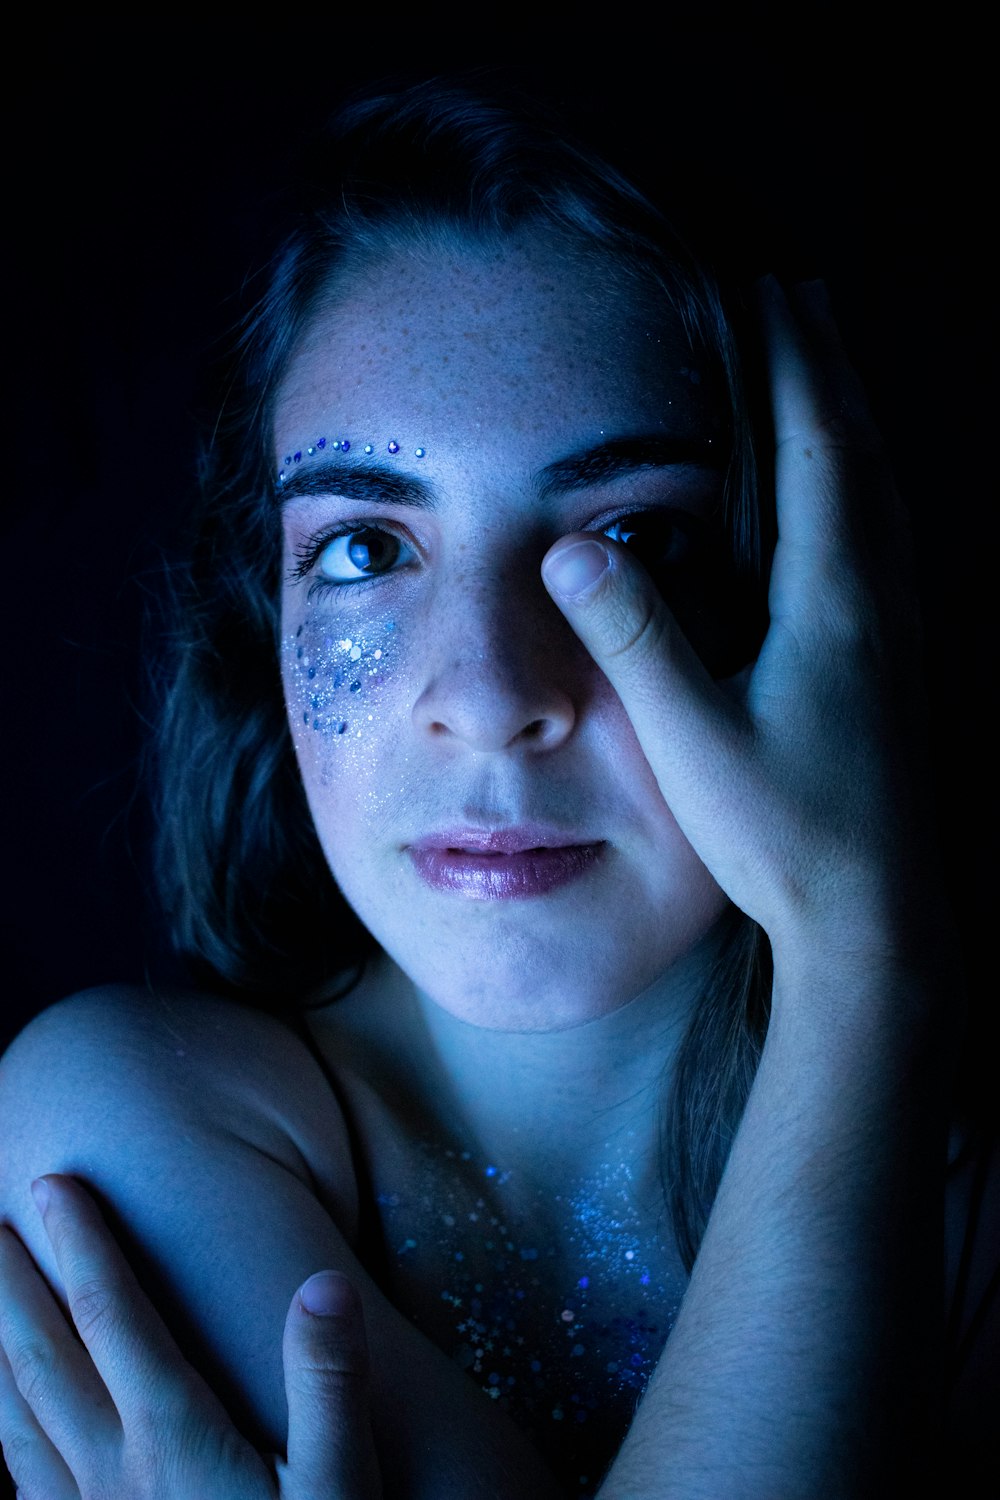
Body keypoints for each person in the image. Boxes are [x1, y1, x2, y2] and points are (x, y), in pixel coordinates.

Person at [0, 81, 995, 1499]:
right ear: (263, 613)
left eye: (633, 536)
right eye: (362, 552)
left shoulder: (956, 1216)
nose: (488, 691)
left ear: (818, 611)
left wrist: (863, 960)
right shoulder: (116, 1130)